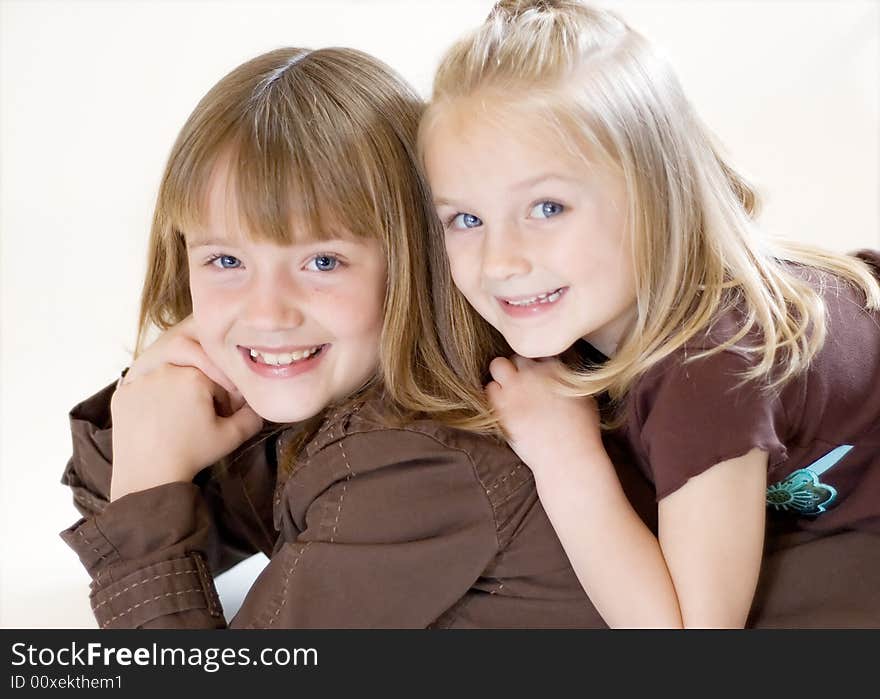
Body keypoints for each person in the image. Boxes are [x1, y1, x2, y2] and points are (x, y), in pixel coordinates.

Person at [60, 45, 660, 629]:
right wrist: (151, 406)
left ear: (411, 262)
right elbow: (183, 537)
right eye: (226, 261)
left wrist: (148, 480)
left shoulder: (416, 463)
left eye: (323, 262)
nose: (266, 314)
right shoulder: (323, 387)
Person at [419, 0, 880, 627]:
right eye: (466, 219)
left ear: (660, 196)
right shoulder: (599, 314)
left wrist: (564, 455)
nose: (500, 261)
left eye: (547, 208)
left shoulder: (710, 365)